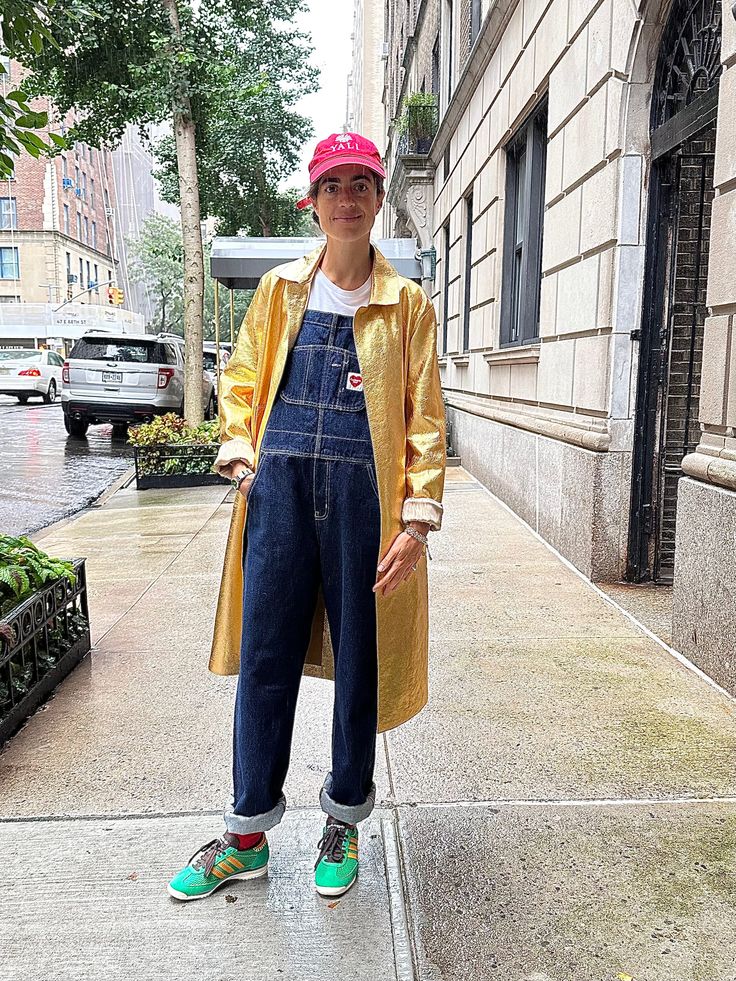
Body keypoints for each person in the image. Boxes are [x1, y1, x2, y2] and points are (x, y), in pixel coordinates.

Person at [167, 132, 446, 902]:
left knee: (361, 658)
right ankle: (246, 833)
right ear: (313, 202)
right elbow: (243, 378)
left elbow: (425, 418)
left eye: (361, 184)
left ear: (379, 199)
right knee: (265, 657)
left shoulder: (406, 304)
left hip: (368, 503)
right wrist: (238, 449)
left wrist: (416, 521)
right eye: (333, 186)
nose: (347, 199)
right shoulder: (281, 291)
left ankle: (344, 819)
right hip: (280, 495)